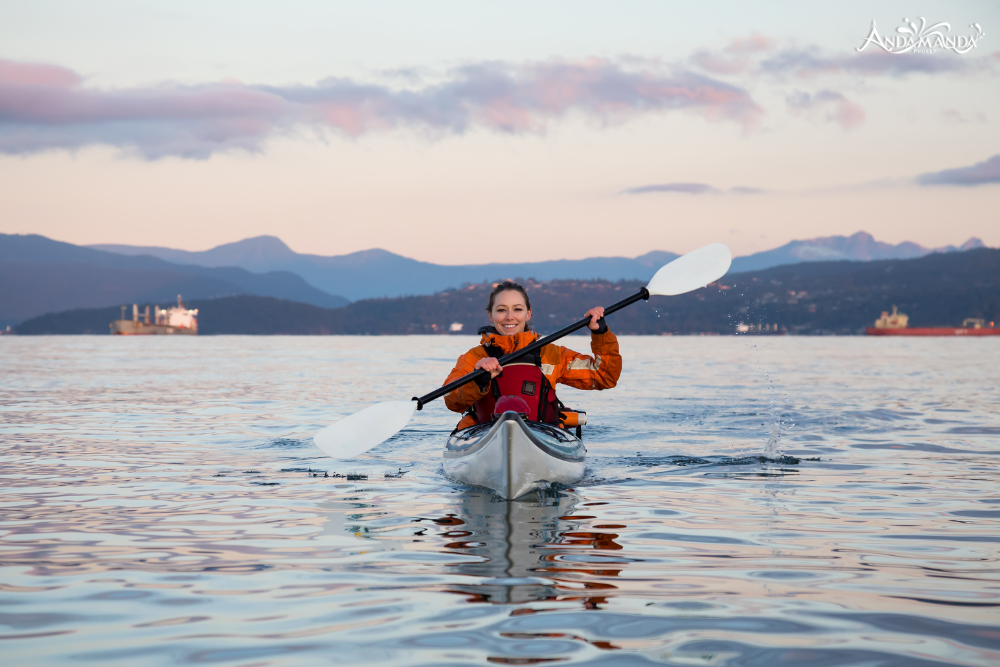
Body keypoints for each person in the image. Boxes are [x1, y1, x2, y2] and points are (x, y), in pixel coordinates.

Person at [443, 280, 622, 431]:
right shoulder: (475, 358)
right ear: (491, 315)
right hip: (486, 436)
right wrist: (478, 380)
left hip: (542, 435)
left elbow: (604, 376)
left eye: (517, 309)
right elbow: (452, 401)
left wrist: (601, 333)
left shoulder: (551, 354)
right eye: (501, 310)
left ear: (528, 313)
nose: (509, 317)